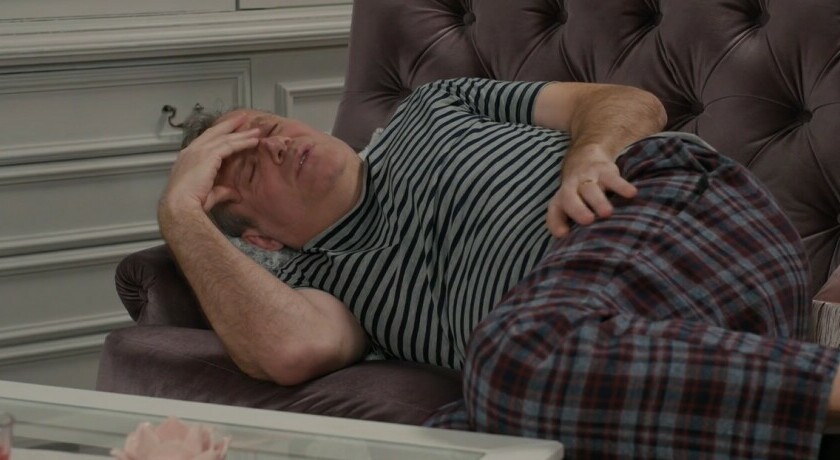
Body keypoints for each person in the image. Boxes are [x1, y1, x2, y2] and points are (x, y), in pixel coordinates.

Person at [158, 78, 840, 458]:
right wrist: (181, 213)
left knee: (506, 360)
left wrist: (590, 154)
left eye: (268, 129)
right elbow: (289, 350)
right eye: (249, 167)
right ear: (261, 239)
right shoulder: (319, 285)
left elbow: (631, 103)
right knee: (453, 445)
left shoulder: (433, 106)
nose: (278, 146)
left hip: (676, 214)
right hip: (641, 353)